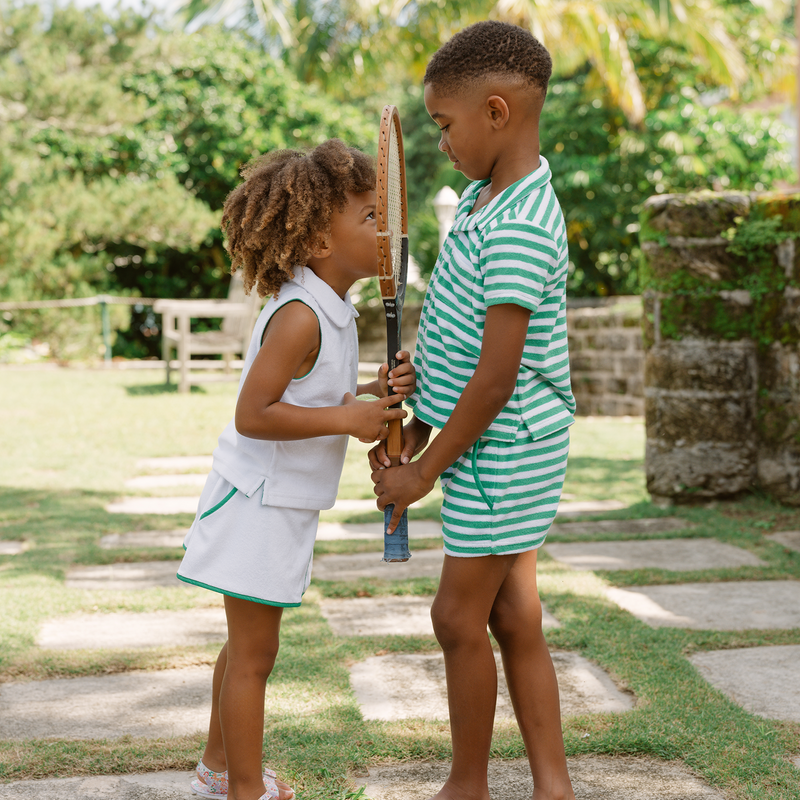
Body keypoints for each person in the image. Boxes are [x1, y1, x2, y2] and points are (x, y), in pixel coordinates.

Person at [369, 21, 577, 800]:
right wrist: (414, 407)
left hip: (507, 446)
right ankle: (551, 786)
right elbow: (459, 351)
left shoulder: (522, 223)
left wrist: (422, 469)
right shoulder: (488, 204)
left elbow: (496, 378)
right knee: (514, 617)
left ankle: (467, 785)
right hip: (488, 441)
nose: (442, 143)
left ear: (497, 112)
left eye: (446, 125)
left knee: (457, 619)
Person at [177, 139, 415, 800]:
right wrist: (345, 422)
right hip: (257, 501)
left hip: (278, 502)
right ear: (315, 240)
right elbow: (255, 413)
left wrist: (360, 404)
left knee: (244, 647)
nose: (386, 230)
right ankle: (244, 790)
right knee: (254, 656)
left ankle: (216, 772)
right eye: (371, 218)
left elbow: (306, 401)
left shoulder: (330, 309)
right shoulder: (300, 316)